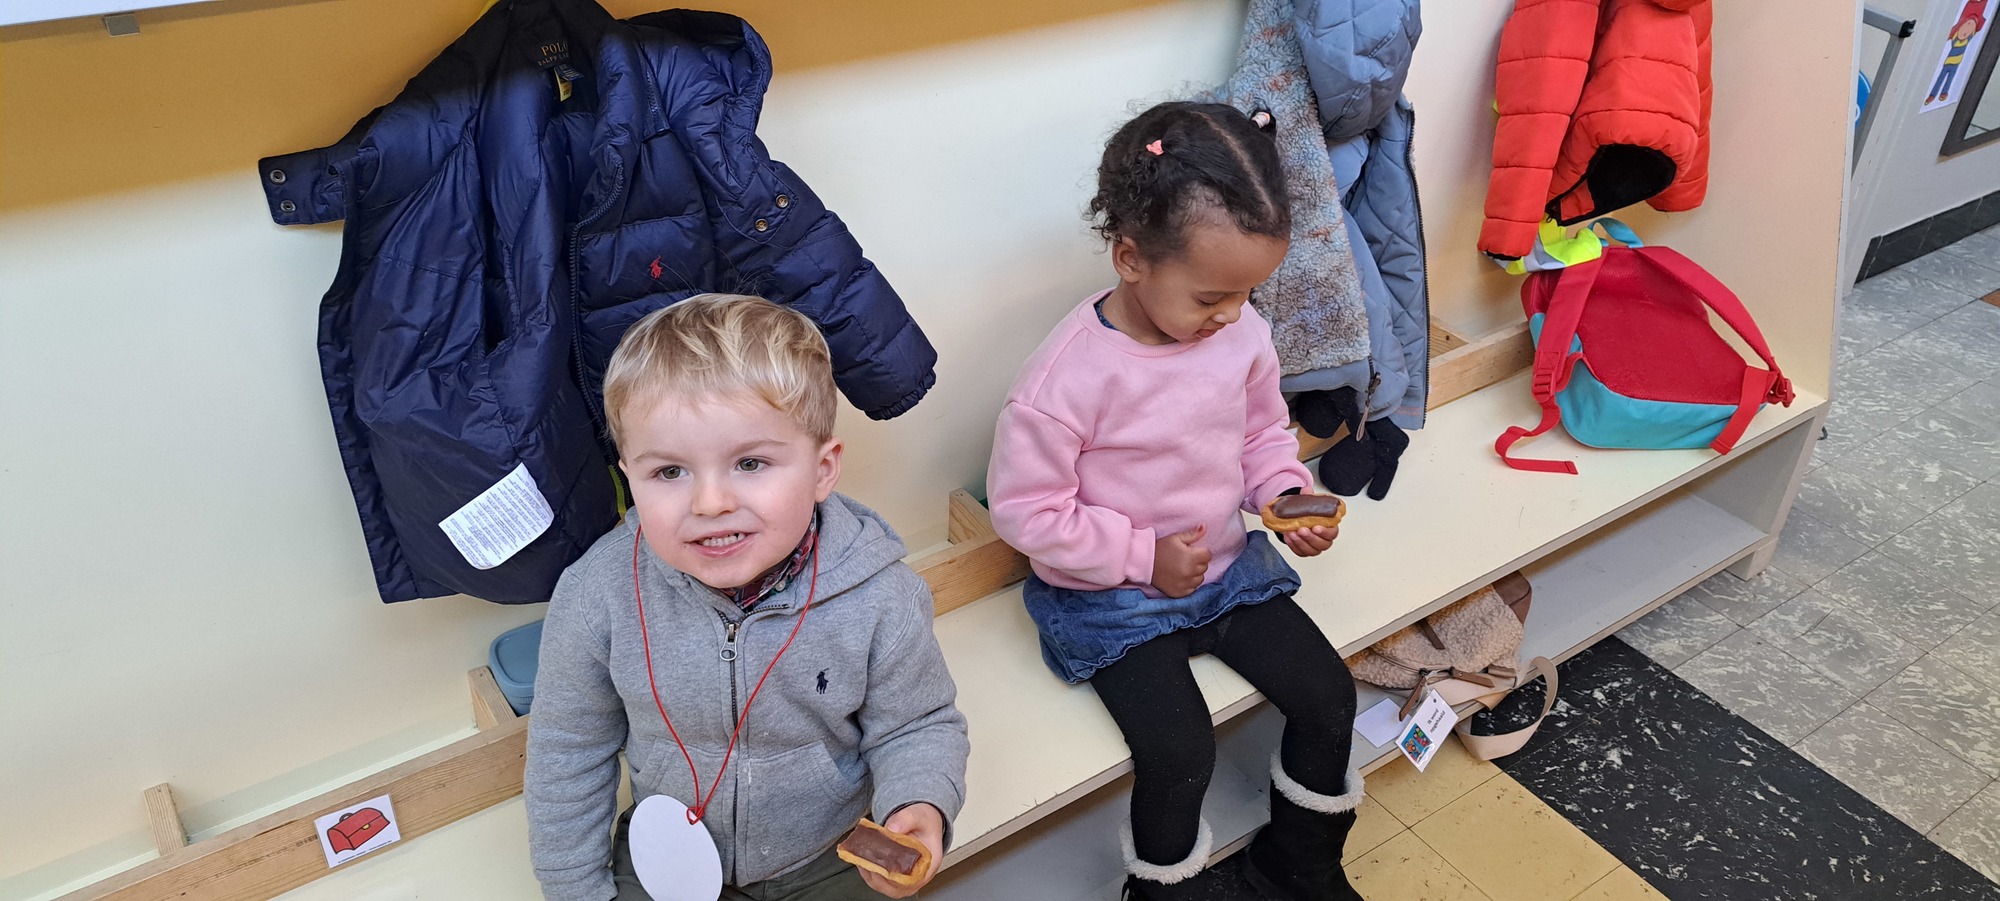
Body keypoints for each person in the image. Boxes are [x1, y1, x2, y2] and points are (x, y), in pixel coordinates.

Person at [987, 102, 1364, 901]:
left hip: (1225, 572)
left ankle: (1297, 864)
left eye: (1248, 292)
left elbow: (1262, 433)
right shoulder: (1065, 380)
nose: (1231, 315)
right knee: (1180, 751)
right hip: (1111, 598)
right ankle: (1162, 891)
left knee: (1331, 697)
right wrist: (1141, 557)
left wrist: (1283, 492)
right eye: (1210, 296)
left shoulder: (1240, 331)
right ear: (1130, 257)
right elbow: (1026, 513)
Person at [526, 294, 969, 901]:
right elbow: (568, 753)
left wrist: (919, 802)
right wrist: (575, 890)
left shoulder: (883, 597)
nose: (710, 503)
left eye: (751, 463)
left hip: (827, 852)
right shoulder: (594, 596)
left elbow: (917, 725)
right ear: (629, 475)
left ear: (822, 469)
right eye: (670, 472)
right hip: (665, 853)